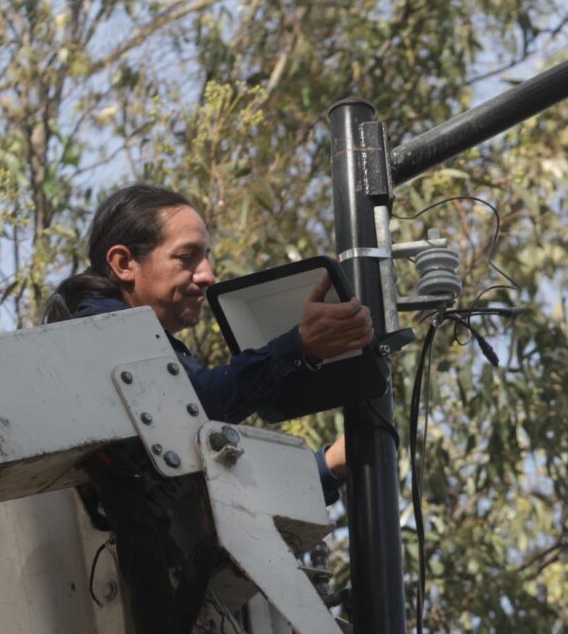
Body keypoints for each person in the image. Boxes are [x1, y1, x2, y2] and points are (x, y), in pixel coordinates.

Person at [47, 183, 372, 494]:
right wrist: (298, 347)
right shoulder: (97, 331)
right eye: (186, 256)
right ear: (123, 263)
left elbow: (220, 499)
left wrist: (329, 466)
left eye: (206, 256)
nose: (208, 274)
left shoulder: (140, 343)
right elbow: (188, 408)